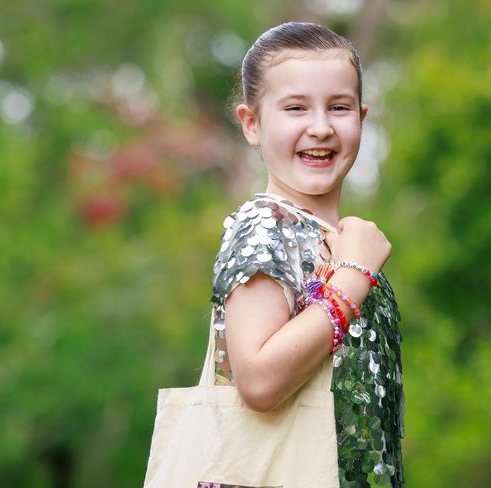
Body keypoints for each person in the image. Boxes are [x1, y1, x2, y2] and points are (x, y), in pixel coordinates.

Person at [204, 22, 404, 487]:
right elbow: (258, 381)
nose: (321, 128)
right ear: (251, 123)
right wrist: (353, 277)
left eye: (339, 107)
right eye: (295, 108)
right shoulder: (267, 226)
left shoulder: (330, 239)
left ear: (362, 116)